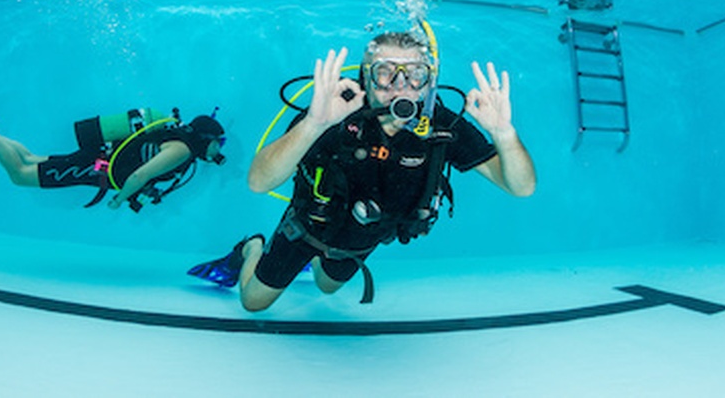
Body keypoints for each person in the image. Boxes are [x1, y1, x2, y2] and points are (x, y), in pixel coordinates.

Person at [188, 31, 535, 311]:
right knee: (253, 303)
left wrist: (504, 133)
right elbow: (258, 181)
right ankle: (253, 246)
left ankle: (318, 263)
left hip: (364, 237)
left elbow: (521, 187)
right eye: (385, 73)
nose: (401, 87)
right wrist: (314, 123)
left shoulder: (443, 128)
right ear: (365, 78)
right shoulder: (335, 113)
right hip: (307, 228)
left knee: (325, 287)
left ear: (429, 82)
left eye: (415, 74)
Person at [0, 107, 226, 211]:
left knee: (31, 158)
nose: (218, 150)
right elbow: (138, 177)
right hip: (97, 167)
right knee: (21, 174)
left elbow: (141, 169)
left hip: (99, 160)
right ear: (204, 139)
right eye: (218, 143)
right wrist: (119, 201)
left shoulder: (177, 141)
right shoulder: (183, 150)